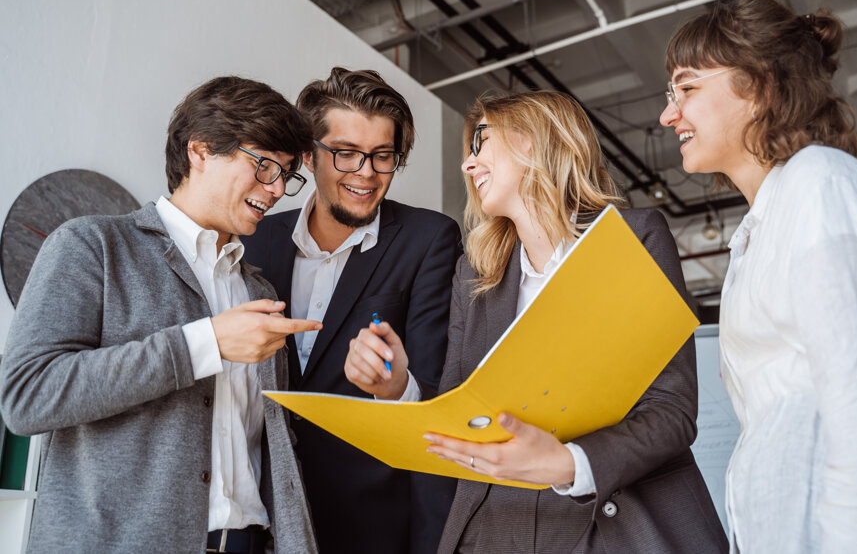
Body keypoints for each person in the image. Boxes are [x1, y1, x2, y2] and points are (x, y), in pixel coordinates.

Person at [346, 90, 728, 552]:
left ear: (533, 137)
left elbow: (671, 410)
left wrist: (568, 464)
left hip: (610, 523)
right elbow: (459, 412)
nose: (468, 164)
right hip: (495, 529)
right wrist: (399, 387)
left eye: (481, 142)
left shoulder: (634, 239)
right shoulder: (474, 274)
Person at [0, 76, 323, 553]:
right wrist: (205, 344)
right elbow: (27, 396)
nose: (276, 189)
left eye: (287, 174)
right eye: (264, 166)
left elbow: (272, 447)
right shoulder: (92, 246)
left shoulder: (259, 290)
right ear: (200, 150)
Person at [659, 0, 857, 552]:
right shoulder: (761, 230)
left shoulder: (821, 186)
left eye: (687, 89)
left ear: (760, 86)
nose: (668, 115)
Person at [241, 67, 462, 554]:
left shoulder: (428, 240)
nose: (365, 173)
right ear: (308, 154)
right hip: (259, 520)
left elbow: (439, 395)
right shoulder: (252, 239)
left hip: (370, 528)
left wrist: (397, 388)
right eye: (345, 153)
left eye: (382, 156)